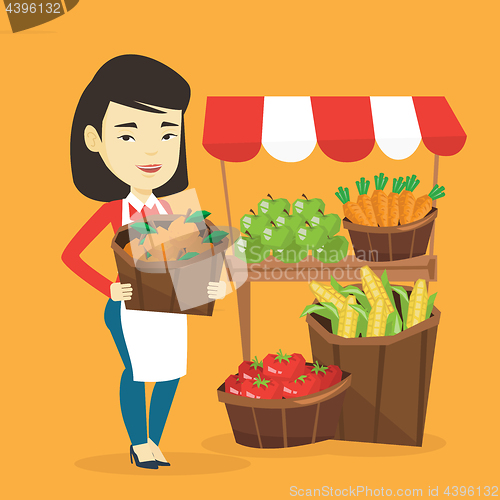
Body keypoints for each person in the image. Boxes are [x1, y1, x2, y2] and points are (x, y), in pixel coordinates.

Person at [62, 55, 226, 469]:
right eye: (129, 136)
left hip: (173, 305)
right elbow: (70, 255)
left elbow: (213, 252)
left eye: (168, 135)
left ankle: (156, 440)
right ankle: (139, 443)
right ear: (95, 140)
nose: (152, 149)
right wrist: (108, 288)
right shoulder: (111, 211)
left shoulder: (179, 207)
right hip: (128, 307)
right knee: (138, 370)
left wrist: (218, 284)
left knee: (170, 373)